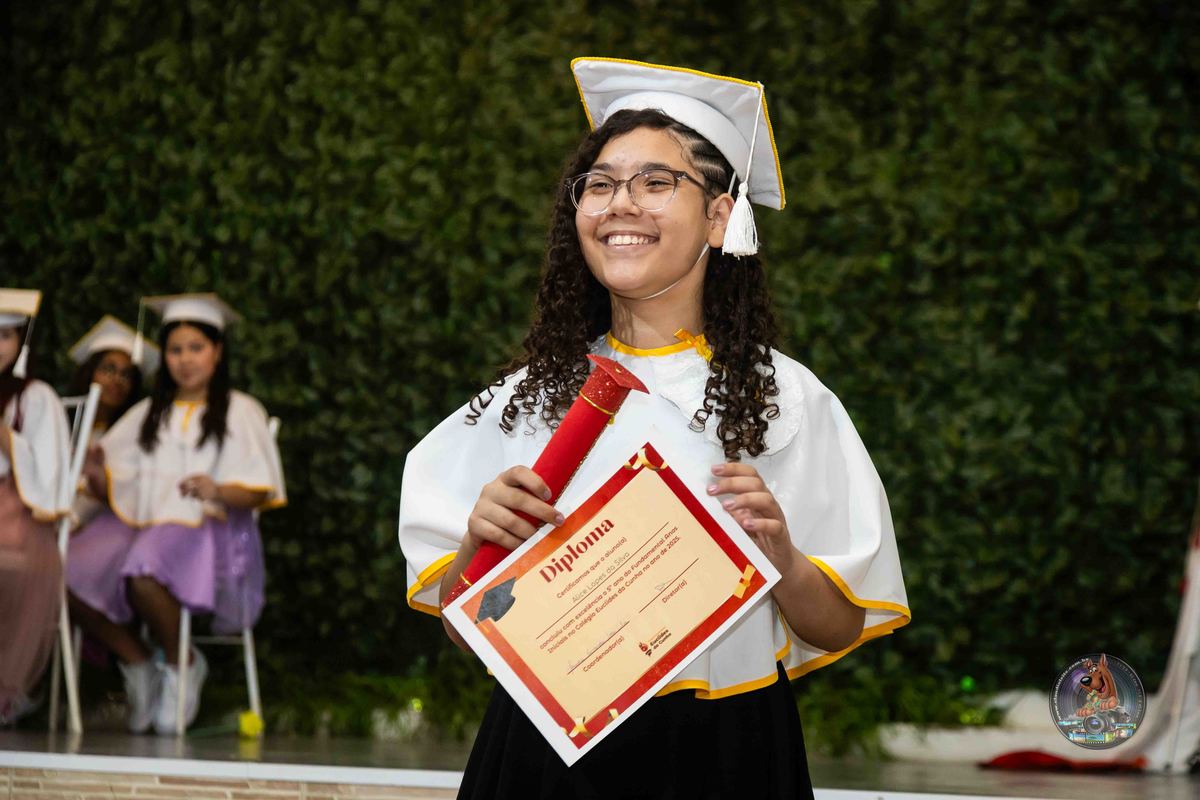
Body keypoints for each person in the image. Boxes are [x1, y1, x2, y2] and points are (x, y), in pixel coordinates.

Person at [398, 59, 911, 798]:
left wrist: (781, 557)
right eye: (599, 184)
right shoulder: (527, 400)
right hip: (545, 747)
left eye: (656, 182)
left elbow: (835, 628)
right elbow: (465, 628)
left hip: (725, 748)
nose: (621, 204)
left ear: (720, 217)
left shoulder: (782, 400)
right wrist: (477, 551)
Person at [67, 294, 285, 735]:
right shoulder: (148, 413)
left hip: (205, 528)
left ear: (217, 351)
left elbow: (259, 488)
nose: (185, 360)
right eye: (175, 350)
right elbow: (119, 486)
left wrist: (217, 489)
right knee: (68, 571)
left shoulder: (241, 410)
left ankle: (180, 663)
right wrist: (95, 473)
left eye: (196, 348)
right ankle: (139, 662)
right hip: (140, 524)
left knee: (144, 569)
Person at [0, 289, 70, 726]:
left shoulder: (36, 396)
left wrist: (5, 436)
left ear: (22, 341)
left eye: (5, 336)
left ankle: (10, 685)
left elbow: (48, 474)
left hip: (18, 515)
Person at [65, 315, 158, 531]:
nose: (117, 380)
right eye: (108, 369)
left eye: (127, 375)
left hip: (102, 530)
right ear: (89, 373)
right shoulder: (62, 421)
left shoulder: (132, 437)